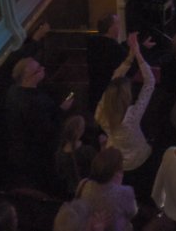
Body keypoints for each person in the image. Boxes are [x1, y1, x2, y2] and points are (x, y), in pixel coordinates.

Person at [94, 34, 154, 186]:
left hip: (116, 159)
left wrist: (130, 57)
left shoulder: (100, 112)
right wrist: (137, 53)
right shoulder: (132, 115)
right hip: (138, 159)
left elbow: (114, 80)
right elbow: (150, 82)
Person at [5, 56, 72, 189]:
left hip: (21, 152)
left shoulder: (13, 91)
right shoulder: (33, 102)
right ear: (28, 77)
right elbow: (47, 131)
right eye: (38, 69)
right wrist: (62, 110)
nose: (43, 68)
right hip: (37, 157)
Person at [74, 147, 138, 231]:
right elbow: (133, 213)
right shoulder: (126, 192)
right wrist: (118, 187)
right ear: (117, 171)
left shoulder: (83, 183)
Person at [54, 115, 97, 197]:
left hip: (71, 193)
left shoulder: (59, 154)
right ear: (80, 131)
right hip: (90, 191)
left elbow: (61, 175)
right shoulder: (87, 151)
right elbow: (98, 169)